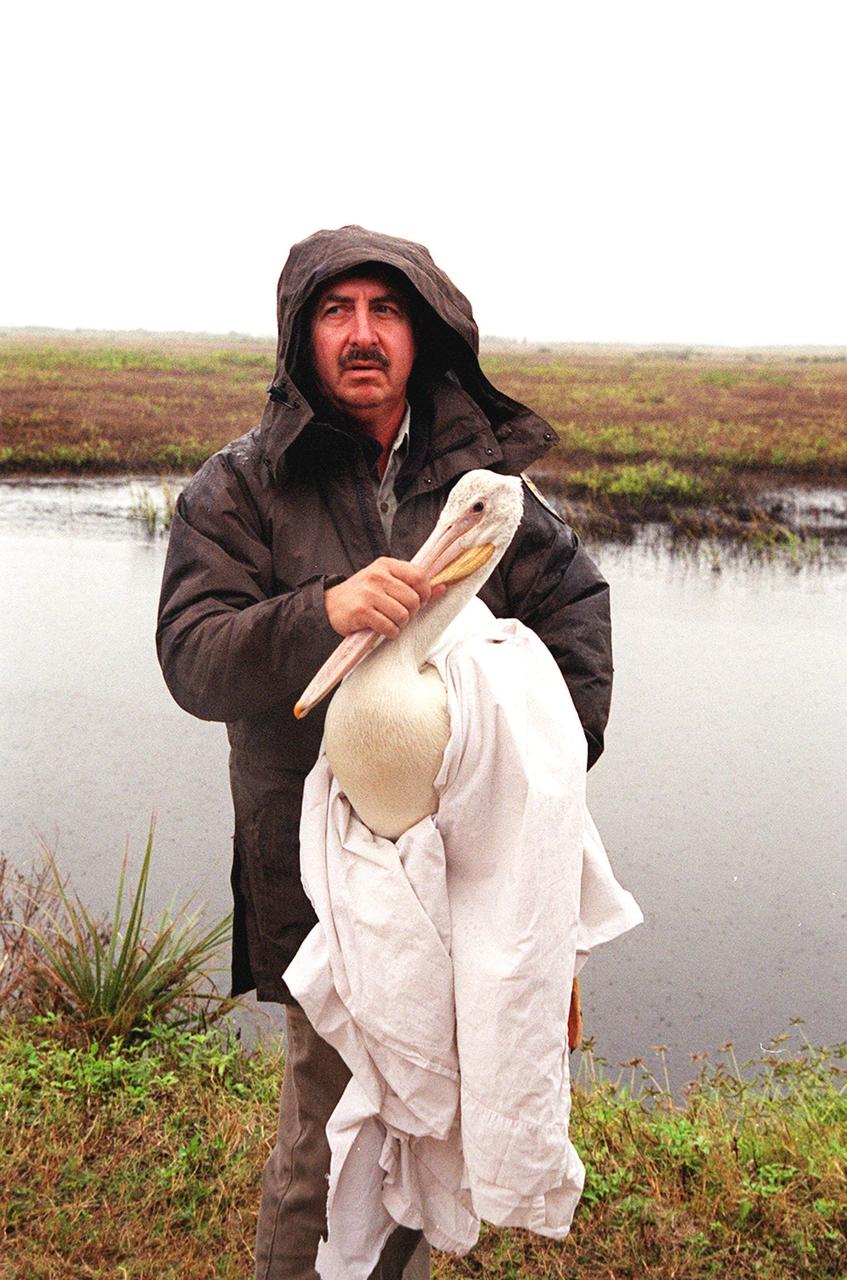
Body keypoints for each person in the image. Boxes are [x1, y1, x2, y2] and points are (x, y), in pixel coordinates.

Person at [156, 225, 613, 1280]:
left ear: (422, 332)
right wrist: (322, 612)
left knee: (431, 1121)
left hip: (463, 876)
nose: (361, 334)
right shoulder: (240, 487)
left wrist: (528, 779)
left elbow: (574, 612)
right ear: (300, 334)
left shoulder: (480, 487)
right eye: (335, 310)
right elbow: (191, 655)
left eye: (386, 310)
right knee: (328, 1133)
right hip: (321, 880)